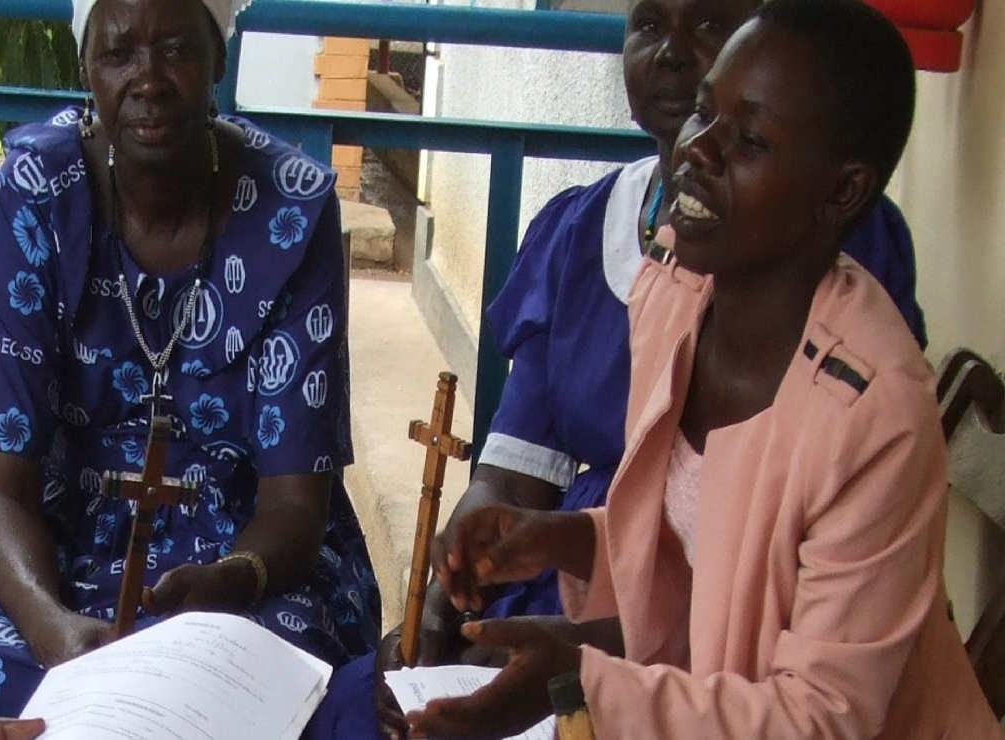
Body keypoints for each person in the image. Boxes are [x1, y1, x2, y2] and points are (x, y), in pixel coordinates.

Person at [306, 0, 927, 737]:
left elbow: (820, 714)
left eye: (749, 139)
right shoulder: (677, 285)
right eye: (704, 114)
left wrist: (576, 682)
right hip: (655, 664)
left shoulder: (872, 414)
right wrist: (558, 540)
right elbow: (696, 553)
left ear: (842, 191)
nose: (698, 149)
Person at [0, 0, 380, 730]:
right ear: (85, 67)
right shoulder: (37, 190)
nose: (148, 79)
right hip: (58, 537)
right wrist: (53, 632)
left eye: (174, 49)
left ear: (218, 60)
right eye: (118, 53)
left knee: (280, 680)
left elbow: (296, 504)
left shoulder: (292, 207)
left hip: (245, 556)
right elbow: (2, 492)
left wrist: (231, 584)